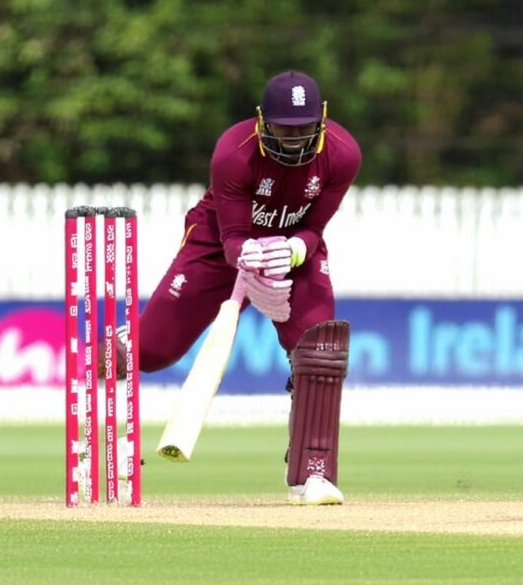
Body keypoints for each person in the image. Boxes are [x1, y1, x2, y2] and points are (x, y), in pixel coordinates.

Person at [131, 70, 361, 505]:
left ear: (322, 121)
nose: (294, 140)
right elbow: (233, 236)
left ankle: (312, 472)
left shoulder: (343, 154)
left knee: (320, 350)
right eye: (283, 129)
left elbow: (314, 226)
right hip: (217, 243)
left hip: (293, 246)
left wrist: (294, 251)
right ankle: (109, 368)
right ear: (261, 122)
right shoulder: (233, 154)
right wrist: (245, 255)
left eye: (304, 129)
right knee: (153, 352)